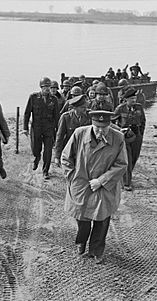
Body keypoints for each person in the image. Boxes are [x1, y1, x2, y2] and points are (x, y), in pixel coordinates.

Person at [61, 110, 128, 264]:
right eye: (97, 127)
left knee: (102, 219)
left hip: (104, 186)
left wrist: (102, 180)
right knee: (82, 218)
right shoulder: (79, 134)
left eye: (104, 128)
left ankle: (96, 250)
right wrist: (72, 177)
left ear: (109, 125)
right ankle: (81, 242)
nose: (100, 131)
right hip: (82, 184)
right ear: (92, 123)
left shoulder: (118, 138)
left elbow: (122, 164)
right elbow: (66, 157)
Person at [23, 77, 59, 179]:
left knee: (48, 151)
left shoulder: (54, 99)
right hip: (36, 128)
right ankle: (37, 157)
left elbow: (57, 117)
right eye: (45, 87)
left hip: (49, 129)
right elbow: (27, 113)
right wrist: (25, 128)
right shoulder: (33, 97)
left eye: (49, 87)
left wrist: (58, 131)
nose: (47, 89)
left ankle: (45, 171)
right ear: (41, 87)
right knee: (35, 148)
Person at [113, 88, 146, 191]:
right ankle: (127, 183)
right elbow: (111, 122)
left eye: (135, 98)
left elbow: (143, 121)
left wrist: (141, 133)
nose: (134, 100)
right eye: (131, 98)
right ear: (126, 99)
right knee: (127, 158)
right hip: (125, 137)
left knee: (134, 157)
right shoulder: (120, 108)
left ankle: (126, 176)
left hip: (137, 136)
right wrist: (120, 130)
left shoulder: (139, 107)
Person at [54, 94, 91, 167]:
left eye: (86, 107)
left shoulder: (89, 116)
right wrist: (57, 156)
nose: (85, 109)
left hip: (85, 150)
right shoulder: (66, 117)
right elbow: (59, 137)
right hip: (70, 149)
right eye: (82, 107)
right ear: (75, 108)